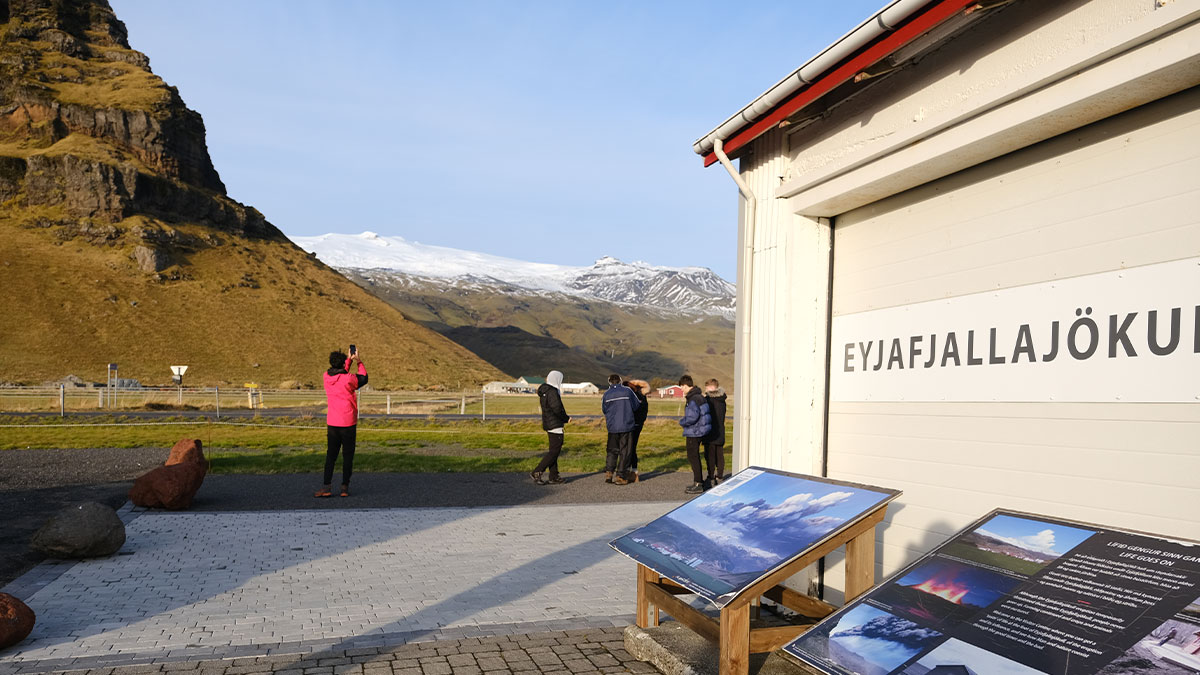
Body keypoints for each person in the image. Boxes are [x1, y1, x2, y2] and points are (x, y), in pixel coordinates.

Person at [317, 347, 367, 498]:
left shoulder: (326, 376)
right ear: (342, 363)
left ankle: (326, 487)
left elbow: (339, 372)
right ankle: (344, 487)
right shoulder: (349, 379)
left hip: (333, 422)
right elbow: (363, 378)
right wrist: (358, 361)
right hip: (348, 422)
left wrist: (348, 361)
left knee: (331, 456)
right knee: (347, 456)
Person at [531, 370, 570, 485]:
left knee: (554, 451)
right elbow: (557, 408)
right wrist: (566, 418)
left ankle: (554, 476)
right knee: (554, 452)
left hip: (549, 423)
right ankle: (537, 471)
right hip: (555, 424)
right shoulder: (553, 392)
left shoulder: (545, 391)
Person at [601, 374, 640, 485]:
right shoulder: (627, 391)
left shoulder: (606, 394)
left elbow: (604, 410)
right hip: (626, 426)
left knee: (612, 450)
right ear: (620, 381)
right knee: (625, 452)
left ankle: (609, 472)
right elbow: (636, 405)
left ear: (609, 382)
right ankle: (621, 476)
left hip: (612, 427)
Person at [677, 375, 712, 494]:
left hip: (694, 431)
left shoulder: (692, 399)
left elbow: (692, 417)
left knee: (693, 457)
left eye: (682, 387)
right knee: (695, 456)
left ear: (685, 385)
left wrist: (682, 422)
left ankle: (698, 483)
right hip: (700, 430)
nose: (682, 389)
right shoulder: (699, 396)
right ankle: (699, 482)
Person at [624, 379, 651, 482]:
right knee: (632, 447)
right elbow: (644, 413)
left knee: (627, 448)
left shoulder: (632, 397)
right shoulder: (643, 397)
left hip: (630, 425)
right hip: (638, 425)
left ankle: (627, 470)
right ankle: (634, 471)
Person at [703, 379, 727, 485]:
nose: (706, 389)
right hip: (720, 430)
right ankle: (720, 475)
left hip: (710, 431)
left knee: (710, 455)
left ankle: (711, 476)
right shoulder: (722, 400)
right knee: (720, 455)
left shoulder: (708, 400)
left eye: (707, 387)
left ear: (712, 387)